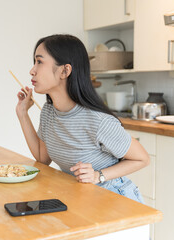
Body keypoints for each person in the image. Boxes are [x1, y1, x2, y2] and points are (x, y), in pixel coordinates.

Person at [15, 34, 149, 203]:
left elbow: (142, 159)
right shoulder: (49, 112)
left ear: (65, 71)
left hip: (115, 198)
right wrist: (22, 113)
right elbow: (43, 158)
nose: (32, 70)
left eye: (39, 62)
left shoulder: (97, 121)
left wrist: (97, 175)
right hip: (82, 196)